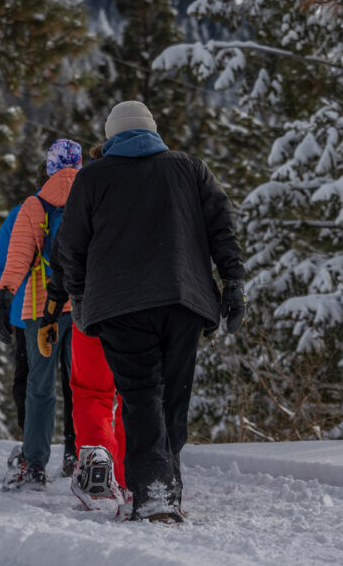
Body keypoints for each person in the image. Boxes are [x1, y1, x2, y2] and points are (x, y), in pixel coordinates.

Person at [55, 101, 246, 523]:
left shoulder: (93, 177)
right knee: (173, 399)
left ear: (111, 136)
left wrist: (80, 297)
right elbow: (222, 227)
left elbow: (70, 247)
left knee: (141, 398)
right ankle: (166, 488)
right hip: (184, 301)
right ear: (152, 130)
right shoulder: (190, 169)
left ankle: (154, 494)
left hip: (120, 307)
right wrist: (232, 284)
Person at [38, 144, 127, 509]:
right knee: (135, 394)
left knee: (91, 391)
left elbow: (63, 255)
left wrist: (53, 306)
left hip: (90, 308)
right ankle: (128, 473)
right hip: (141, 309)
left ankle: (95, 460)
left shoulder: (85, 194)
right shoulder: (146, 195)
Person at [0, 138, 82, 488]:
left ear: (48, 168)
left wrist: (4, 296)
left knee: (40, 388)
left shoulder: (35, 204)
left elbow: (18, 258)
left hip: (40, 307)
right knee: (85, 387)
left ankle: (34, 466)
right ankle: (83, 458)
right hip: (83, 308)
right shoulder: (92, 197)